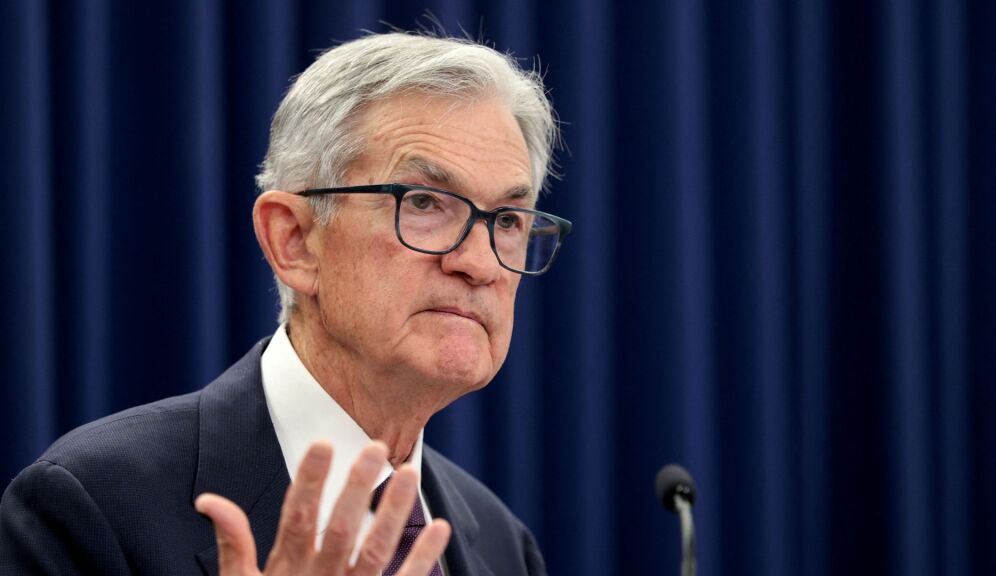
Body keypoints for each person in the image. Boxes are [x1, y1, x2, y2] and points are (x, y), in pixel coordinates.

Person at [0, 32, 570, 575]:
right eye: (424, 202)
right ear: (293, 241)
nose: (481, 263)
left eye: (507, 220)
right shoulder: (93, 506)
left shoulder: (504, 545)